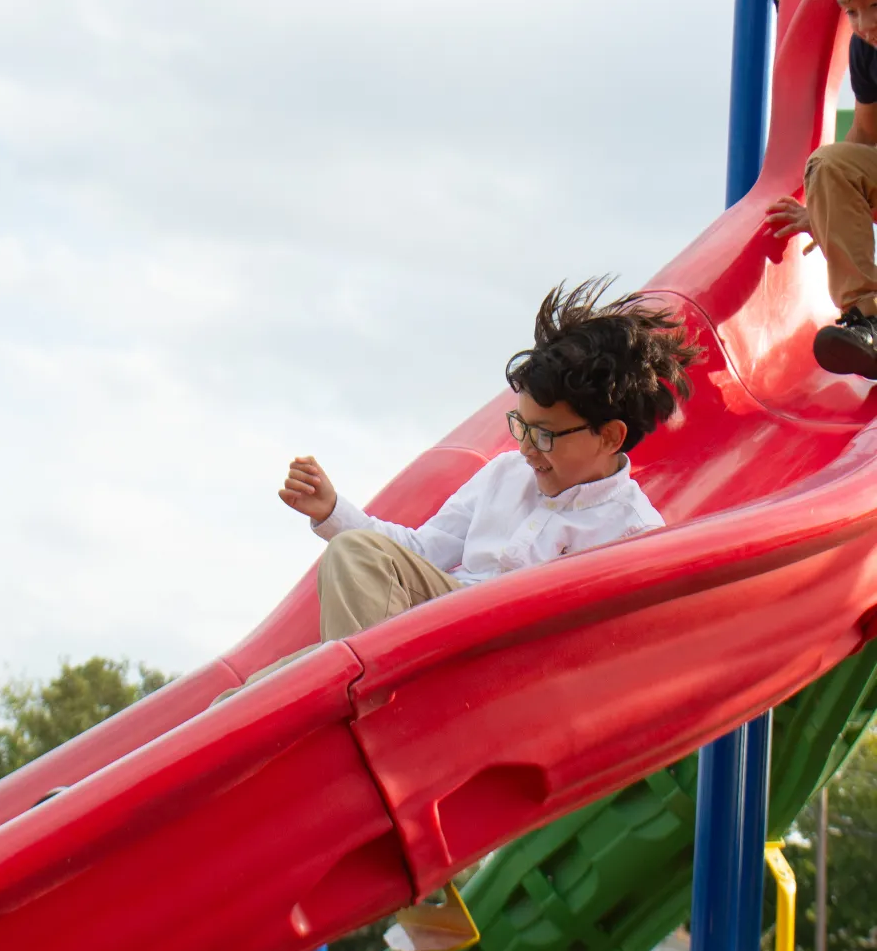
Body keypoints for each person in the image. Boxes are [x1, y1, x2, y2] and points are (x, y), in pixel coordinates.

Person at [225, 281, 701, 695]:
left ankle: (363, 710)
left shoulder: (634, 535)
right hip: (435, 629)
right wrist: (332, 511)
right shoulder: (506, 474)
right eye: (522, 425)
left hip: (503, 669)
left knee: (340, 613)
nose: (528, 448)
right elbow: (421, 552)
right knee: (245, 701)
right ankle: (361, 697)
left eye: (546, 434)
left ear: (611, 436)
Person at [767, 0, 877, 378]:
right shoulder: (867, 49)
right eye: (850, 11)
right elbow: (865, 138)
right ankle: (869, 318)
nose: (864, 24)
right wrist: (827, 210)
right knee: (830, 164)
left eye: (874, 5)